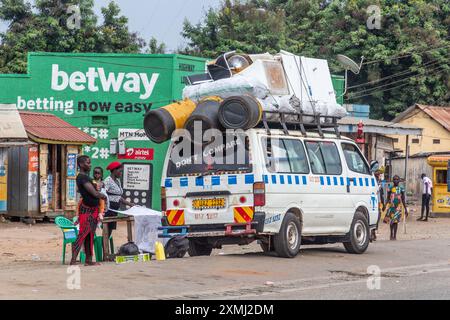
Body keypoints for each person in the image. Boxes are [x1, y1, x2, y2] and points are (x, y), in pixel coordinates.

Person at [70, 155, 106, 266]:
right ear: (81, 164)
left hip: (93, 209)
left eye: (90, 163)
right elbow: (94, 193)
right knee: (82, 234)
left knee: (90, 234)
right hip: (87, 210)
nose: (90, 165)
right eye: (87, 163)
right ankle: (73, 260)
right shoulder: (82, 177)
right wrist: (102, 196)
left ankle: (89, 260)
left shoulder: (86, 177)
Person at [103, 161, 134, 237]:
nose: (121, 173)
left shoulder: (117, 181)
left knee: (110, 231)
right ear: (114, 170)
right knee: (106, 230)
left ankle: (106, 247)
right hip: (109, 210)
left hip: (114, 209)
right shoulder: (107, 181)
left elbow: (118, 197)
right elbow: (103, 194)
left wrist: (130, 204)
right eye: (120, 171)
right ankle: (104, 247)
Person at [385, 175, 408, 240]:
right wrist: (385, 205)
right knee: (391, 221)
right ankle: (391, 234)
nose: (396, 181)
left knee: (396, 222)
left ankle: (394, 235)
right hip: (391, 207)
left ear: (399, 181)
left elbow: (403, 199)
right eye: (394, 179)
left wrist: (405, 209)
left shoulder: (401, 188)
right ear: (392, 180)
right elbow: (387, 198)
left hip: (398, 207)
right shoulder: (390, 188)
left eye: (397, 179)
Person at [371, 170, 385, 241]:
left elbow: (382, 194)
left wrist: (383, 203)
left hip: (378, 202)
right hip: (372, 201)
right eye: (377, 175)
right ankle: (372, 232)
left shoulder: (379, 183)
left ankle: (373, 232)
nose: (378, 176)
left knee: (377, 216)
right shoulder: (371, 182)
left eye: (379, 175)